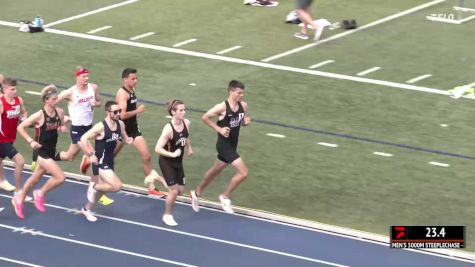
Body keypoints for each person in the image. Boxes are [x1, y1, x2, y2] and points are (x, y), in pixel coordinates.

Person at [37, 66, 112, 206]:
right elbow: (52, 103)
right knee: (94, 158)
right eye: (84, 76)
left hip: (89, 128)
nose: (86, 79)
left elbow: (100, 102)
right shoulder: (70, 92)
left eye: (87, 76)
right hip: (77, 129)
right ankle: (96, 190)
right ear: (77, 77)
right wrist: (62, 119)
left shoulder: (94, 88)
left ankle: (45, 158)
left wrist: (96, 103)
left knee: (69, 156)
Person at [190, 80, 251, 214]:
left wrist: (245, 122)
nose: (241, 95)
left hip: (233, 144)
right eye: (239, 93)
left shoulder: (244, 106)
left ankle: (196, 192)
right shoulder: (222, 107)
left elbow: (242, 120)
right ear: (231, 92)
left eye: (243, 93)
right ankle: (225, 196)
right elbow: (205, 117)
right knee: (243, 172)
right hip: (224, 145)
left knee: (214, 171)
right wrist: (219, 129)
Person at [12, 85, 68, 219]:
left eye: (57, 98)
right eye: (54, 99)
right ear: (46, 100)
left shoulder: (59, 112)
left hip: (51, 150)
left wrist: (63, 127)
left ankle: (18, 200)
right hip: (40, 151)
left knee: (35, 178)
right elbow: (20, 127)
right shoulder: (39, 115)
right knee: (60, 178)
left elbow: (59, 125)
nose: (57, 101)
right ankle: (40, 193)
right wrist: (31, 141)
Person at [115, 68, 167, 198]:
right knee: (109, 157)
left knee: (146, 156)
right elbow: (122, 115)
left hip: (133, 129)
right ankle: (90, 159)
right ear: (125, 79)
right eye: (133, 79)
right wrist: (138, 111)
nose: (135, 81)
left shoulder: (131, 90)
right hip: (121, 130)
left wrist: (136, 114)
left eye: (136, 78)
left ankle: (152, 188)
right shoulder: (123, 94)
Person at [78, 101, 133, 222]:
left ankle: (86, 209)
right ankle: (95, 186)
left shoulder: (120, 124)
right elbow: (83, 138)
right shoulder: (101, 126)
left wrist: (128, 140)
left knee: (101, 193)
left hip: (109, 161)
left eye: (119, 111)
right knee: (117, 186)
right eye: (115, 112)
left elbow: (124, 137)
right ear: (108, 112)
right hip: (100, 162)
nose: (118, 113)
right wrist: (91, 154)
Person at [155, 100, 192, 226]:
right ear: (173, 112)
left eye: (184, 109)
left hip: (178, 162)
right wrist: (172, 154)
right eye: (181, 110)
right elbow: (157, 148)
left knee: (180, 190)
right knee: (174, 191)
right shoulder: (168, 129)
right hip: (166, 161)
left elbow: (185, 136)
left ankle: (158, 178)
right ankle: (167, 215)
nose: (184, 112)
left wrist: (189, 147)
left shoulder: (187, 123)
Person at [0, 78, 28, 194]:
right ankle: (19, 191)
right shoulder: (1, 103)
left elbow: (24, 112)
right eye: (12, 89)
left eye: (15, 88)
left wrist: (24, 119)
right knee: (20, 161)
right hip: (2, 139)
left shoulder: (18, 100)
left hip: (11, 137)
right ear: (5, 90)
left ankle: (1, 181)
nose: (15, 91)